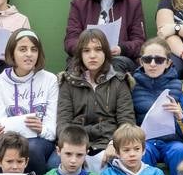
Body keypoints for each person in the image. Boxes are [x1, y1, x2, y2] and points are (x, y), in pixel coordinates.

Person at [57, 28, 135, 157]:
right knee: (55, 163)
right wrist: (74, 148)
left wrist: (113, 144)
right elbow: (63, 122)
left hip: (109, 144)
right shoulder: (68, 82)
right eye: (86, 51)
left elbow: (126, 122)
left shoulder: (120, 81)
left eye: (98, 49)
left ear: (105, 52)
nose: (92, 55)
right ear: (80, 54)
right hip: (75, 145)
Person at [0, 28, 58, 175]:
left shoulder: (50, 80)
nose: (29, 54)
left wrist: (41, 129)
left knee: (31, 149)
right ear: (12, 53)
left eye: (34, 49)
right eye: (22, 49)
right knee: (7, 152)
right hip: (10, 140)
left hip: (40, 140)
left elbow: (52, 130)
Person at [130, 38, 183, 175]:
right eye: (147, 59)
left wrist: (180, 116)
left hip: (173, 142)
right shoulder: (131, 85)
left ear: (168, 63)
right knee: (141, 152)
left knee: (180, 150)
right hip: (144, 142)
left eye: (159, 60)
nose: (153, 64)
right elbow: (126, 119)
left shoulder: (179, 86)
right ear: (140, 61)